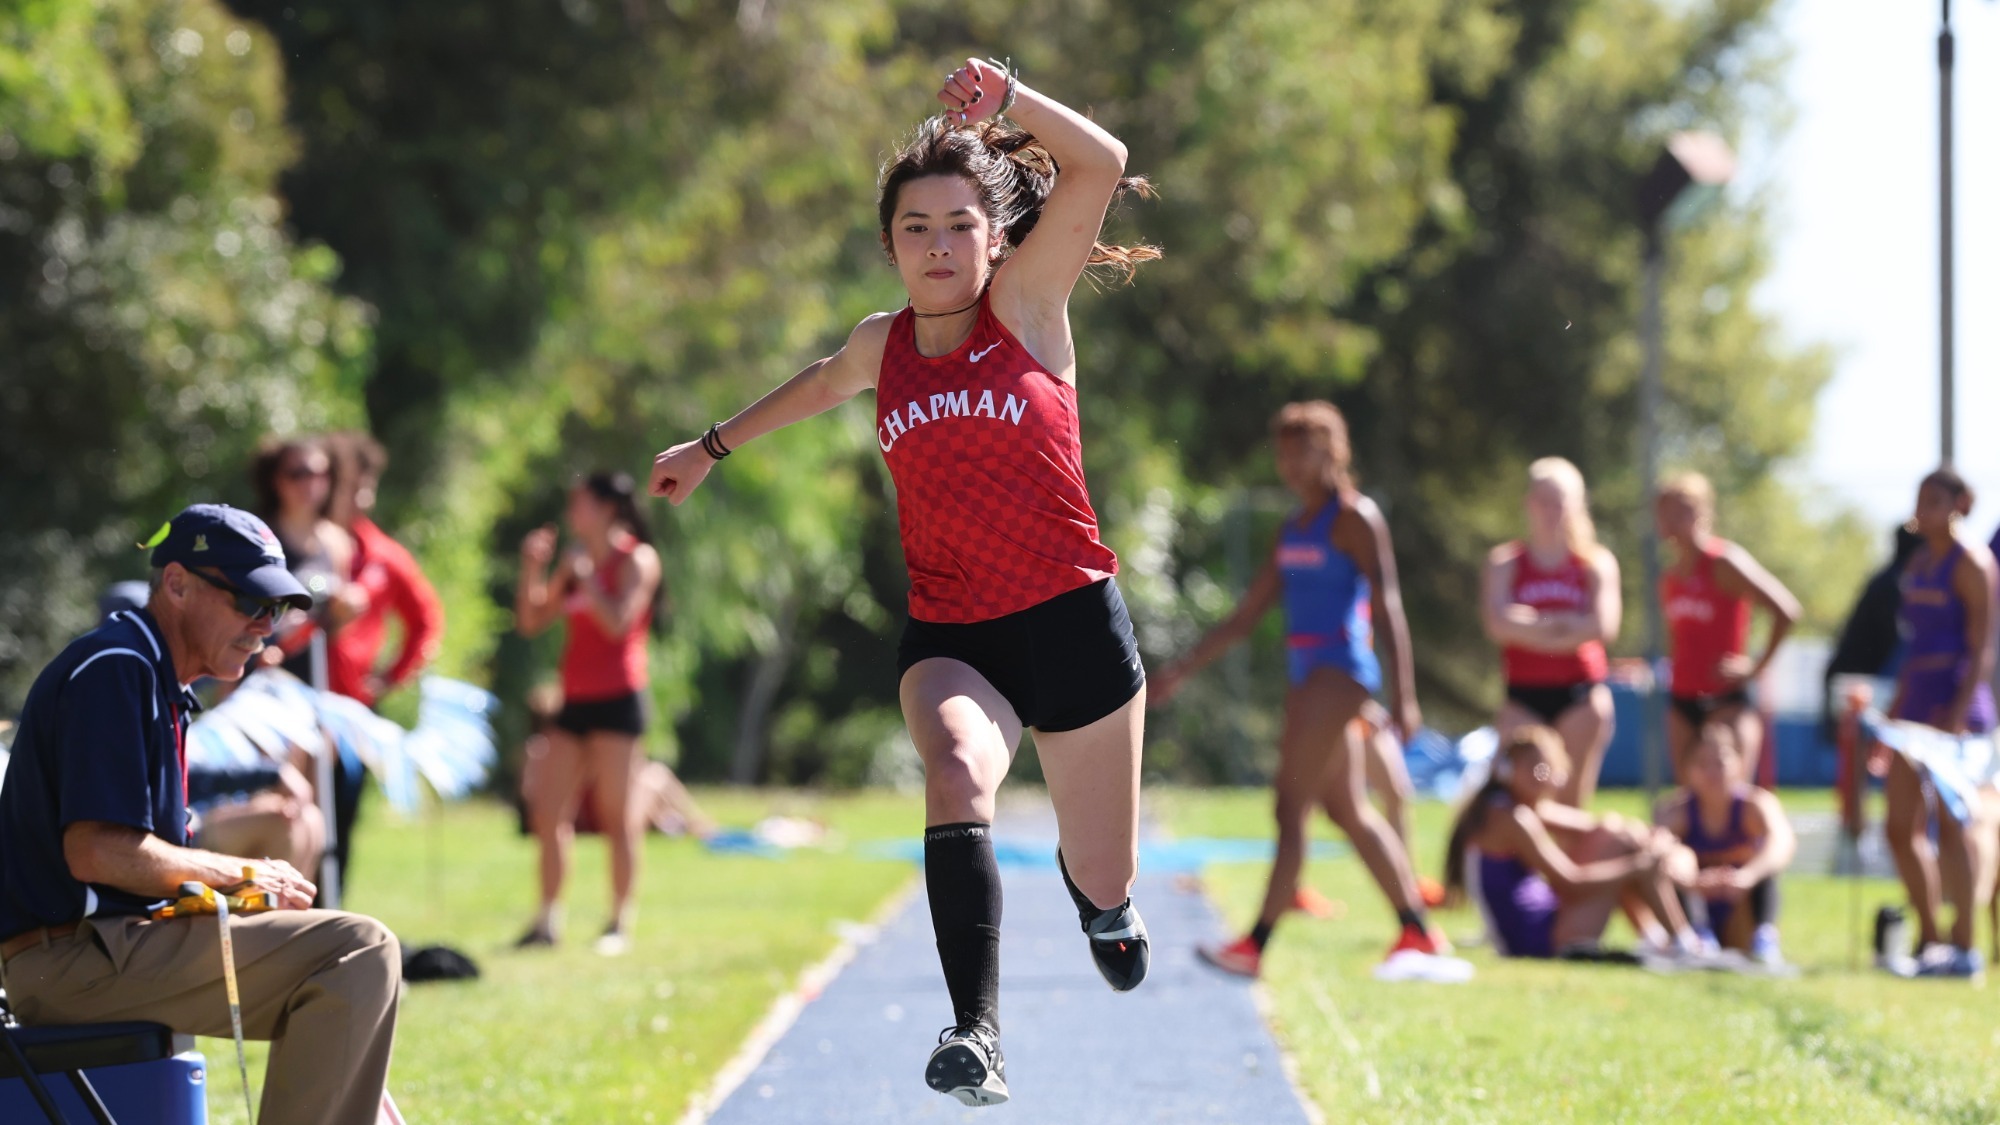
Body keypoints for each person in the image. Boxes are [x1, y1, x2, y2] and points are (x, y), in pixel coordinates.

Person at [649, 59, 1156, 1107]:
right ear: (889, 245)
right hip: (954, 636)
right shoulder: (880, 346)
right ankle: (975, 1032)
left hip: (1070, 628)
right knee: (956, 775)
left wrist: (1008, 98)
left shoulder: (1025, 307)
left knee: (1102, 875)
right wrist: (709, 446)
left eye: (958, 225)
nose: (936, 245)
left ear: (995, 239)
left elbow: (1099, 163)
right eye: (915, 227)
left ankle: (1097, 900)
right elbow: (817, 384)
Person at [0, 504, 400, 1125]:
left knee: (352, 971)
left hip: (102, 950)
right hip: (69, 962)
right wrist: (242, 875)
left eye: (275, 610)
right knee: (356, 949)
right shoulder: (117, 667)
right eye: (248, 602)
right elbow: (98, 851)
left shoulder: (153, 676)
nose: (264, 626)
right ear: (178, 585)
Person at [1151, 401, 1466, 982]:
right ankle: (1417, 929)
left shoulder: (1355, 518)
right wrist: (1179, 671)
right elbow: (1246, 617)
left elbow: (1389, 604)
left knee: (1289, 806)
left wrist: (1406, 694)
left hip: (1339, 675)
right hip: (1306, 676)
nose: (1292, 465)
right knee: (1346, 810)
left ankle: (1255, 945)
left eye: (1305, 452)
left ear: (1334, 452)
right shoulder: (1292, 528)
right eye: (1285, 453)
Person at [513, 471, 663, 956]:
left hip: (619, 700)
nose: (571, 511)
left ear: (605, 509)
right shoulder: (574, 562)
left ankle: (619, 921)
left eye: (579, 503)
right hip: (574, 700)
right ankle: (546, 921)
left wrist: (589, 580)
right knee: (547, 811)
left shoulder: (636, 559)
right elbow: (532, 620)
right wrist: (533, 569)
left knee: (617, 816)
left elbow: (620, 623)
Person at [1873, 468, 1997, 978]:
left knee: (1955, 825)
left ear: (1957, 504)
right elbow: (1914, 650)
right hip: (1915, 711)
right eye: (1918, 498)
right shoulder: (1920, 563)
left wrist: (1957, 712)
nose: (1921, 509)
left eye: (1933, 499)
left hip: (1956, 713)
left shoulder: (1972, 562)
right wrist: (1892, 718)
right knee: (1900, 826)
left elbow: (1982, 648)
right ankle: (1930, 938)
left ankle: (1965, 945)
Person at [1443, 725, 1707, 964]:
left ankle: (1661, 939)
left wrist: (1655, 841)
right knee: (1623, 850)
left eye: (1545, 768)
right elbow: (1570, 880)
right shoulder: (1512, 818)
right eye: (1533, 766)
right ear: (1508, 770)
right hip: (1538, 942)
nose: (1540, 775)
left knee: (1614, 836)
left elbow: (1602, 825)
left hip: (1542, 928)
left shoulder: (1514, 805)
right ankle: (1682, 942)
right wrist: (1638, 866)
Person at [1481, 457, 1621, 807]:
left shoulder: (1594, 563)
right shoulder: (1506, 562)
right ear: (1528, 503)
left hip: (1578, 696)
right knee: (1518, 797)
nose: (1550, 510)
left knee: (1568, 797)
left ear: (1576, 505)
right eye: (1542, 500)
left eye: (1559, 501)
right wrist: (1564, 626)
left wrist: (1528, 625)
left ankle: (1567, 864)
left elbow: (1603, 627)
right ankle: (1524, 862)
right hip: (1524, 697)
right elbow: (1498, 625)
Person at [1655, 472, 1801, 782]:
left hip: (1725, 699)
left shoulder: (1724, 562)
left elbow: (1786, 610)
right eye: (1667, 511)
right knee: (1691, 803)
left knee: (1728, 796)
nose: (1675, 519)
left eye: (1685, 509)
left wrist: (1755, 667)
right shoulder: (1670, 577)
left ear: (1704, 512)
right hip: (1682, 700)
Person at [1654, 721, 1796, 964]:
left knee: (1766, 869)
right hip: (1693, 904)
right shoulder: (1675, 811)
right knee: (1675, 857)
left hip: (1740, 908)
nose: (1712, 772)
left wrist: (1747, 876)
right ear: (1688, 770)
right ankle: (1696, 937)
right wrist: (1693, 882)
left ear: (1740, 764)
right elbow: (1655, 853)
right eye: (1702, 764)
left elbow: (1783, 842)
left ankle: (1764, 939)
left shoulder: (1755, 805)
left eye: (1720, 763)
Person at [325, 430, 444, 708]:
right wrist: (326, 591)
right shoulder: (301, 540)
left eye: (365, 488)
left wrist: (391, 677)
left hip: (349, 706)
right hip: (287, 686)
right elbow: (308, 581)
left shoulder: (385, 558)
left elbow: (426, 621)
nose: (360, 498)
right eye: (350, 487)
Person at [250, 435, 362, 680]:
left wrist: (345, 609)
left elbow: (330, 625)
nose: (311, 483)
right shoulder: (256, 538)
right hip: (255, 673)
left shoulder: (337, 542)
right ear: (276, 480)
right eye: (298, 474)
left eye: (321, 474)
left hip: (310, 677)